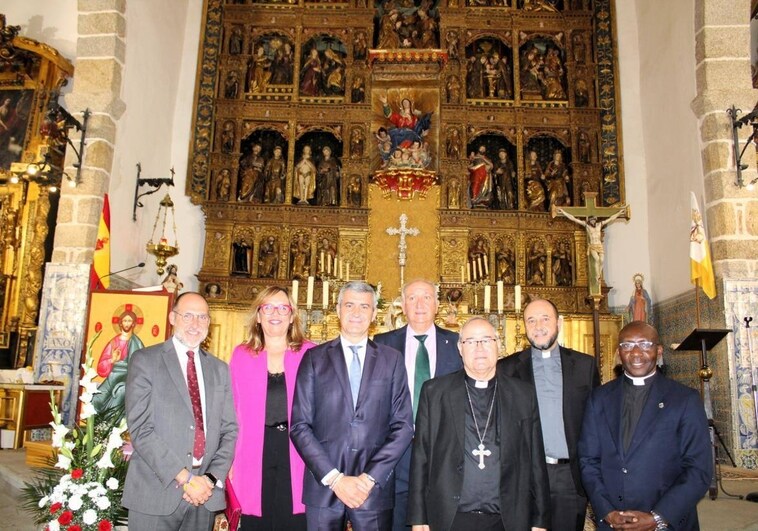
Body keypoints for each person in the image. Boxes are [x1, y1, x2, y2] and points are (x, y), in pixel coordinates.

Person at [290, 281, 414, 531]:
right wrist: (335, 479)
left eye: (364, 306)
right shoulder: (314, 358)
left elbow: (403, 426)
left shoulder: (392, 360)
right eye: (349, 305)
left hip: (373, 489)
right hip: (324, 486)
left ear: (374, 314)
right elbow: (300, 426)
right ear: (338, 310)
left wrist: (368, 479)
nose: (356, 313)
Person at [407, 317, 550, 531]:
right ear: (460, 348)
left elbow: (536, 461)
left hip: (507, 518)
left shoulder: (523, 394)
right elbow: (420, 458)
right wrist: (419, 518)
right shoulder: (435, 392)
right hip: (451, 517)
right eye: (471, 342)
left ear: (498, 345)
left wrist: (540, 520)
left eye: (486, 340)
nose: (479, 348)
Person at [578, 321, 712, 531]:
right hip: (613, 521)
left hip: (667, 522)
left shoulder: (685, 399)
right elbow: (588, 460)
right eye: (627, 345)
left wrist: (658, 517)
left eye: (645, 344)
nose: (636, 352)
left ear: (658, 351)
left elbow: (699, 469)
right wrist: (606, 511)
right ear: (618, 353)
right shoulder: (599, 398)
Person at [123, 292, 238, 530]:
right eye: (188, 316)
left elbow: (229, 431)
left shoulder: (220, 369)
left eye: (202, 317)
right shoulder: (145, 360)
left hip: (203, 496)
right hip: (156, 490)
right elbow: (141, 429)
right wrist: (185, 478)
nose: (195, 324)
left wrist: (209, 479)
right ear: (172, 317)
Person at [499, 299, 600, 531]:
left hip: (567, 475)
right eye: (531, 320)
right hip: (524, 475)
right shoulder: (507, 369)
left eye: (545, 318)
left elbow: (596, 423)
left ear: (559, 322)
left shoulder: (584, 366)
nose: (538, 326)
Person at [373, 279, 463, 531]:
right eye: (412, 298)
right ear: (402, 305)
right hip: (396, 455)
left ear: (437, 305)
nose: (420, 304)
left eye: (426, 297)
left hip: (442, 455)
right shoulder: (382, 344)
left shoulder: (458, 343)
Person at [229, 287, 316, 531]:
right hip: (252, 451)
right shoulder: (242, 355)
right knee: (257, 519)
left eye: (282, 307)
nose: (275, 313)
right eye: (267, 307)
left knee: (295, 518)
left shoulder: (311, 352)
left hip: (298, 450)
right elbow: (231, 410)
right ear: (258, 315)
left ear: (291, 316)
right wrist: (229, 460)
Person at [556, 205, 627, 295]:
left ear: (595, 220)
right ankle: (597, 277)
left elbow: (610, 219)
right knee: (597, 260)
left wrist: (619, 213)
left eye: (593, 219)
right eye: (591, 220)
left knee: (601, 260)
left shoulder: (599, 225)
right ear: (589, 221)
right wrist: (563, 212)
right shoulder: (587, 226)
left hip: (599, 245)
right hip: (593, 246)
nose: (592, 221)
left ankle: (598, 275)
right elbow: (574, 219)